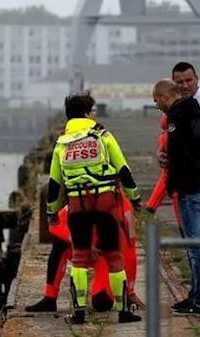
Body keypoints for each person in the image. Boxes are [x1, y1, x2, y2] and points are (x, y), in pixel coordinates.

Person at [44, 92, 143, 325]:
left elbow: (54, 183)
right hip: (105, 206)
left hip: (77, 209)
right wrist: (135, 198)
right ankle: (123, 312)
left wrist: (50, 211)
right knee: (114, 257)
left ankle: (78, 313)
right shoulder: (102, 136)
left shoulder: (62, 143)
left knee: (78, 258)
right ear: (88, 113)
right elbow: (123, 169)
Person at [151, 78, 200, 316]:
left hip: (191, 193)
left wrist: (176, 186)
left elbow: (176, 160)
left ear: (165, 96)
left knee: (196, 250)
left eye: (156, 100)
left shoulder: (176, 120)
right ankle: (196, 295)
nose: (156, 106)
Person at [25, 197, 142, 312]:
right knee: (60, 243)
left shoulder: (125, 210)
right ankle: (50, 298)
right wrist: (81, 242)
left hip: (106, 258)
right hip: (81, 249)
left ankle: (94, 298)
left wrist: (129, 291)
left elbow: (130, 252)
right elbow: (55, 226)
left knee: (102, 303)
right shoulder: (81, 200)